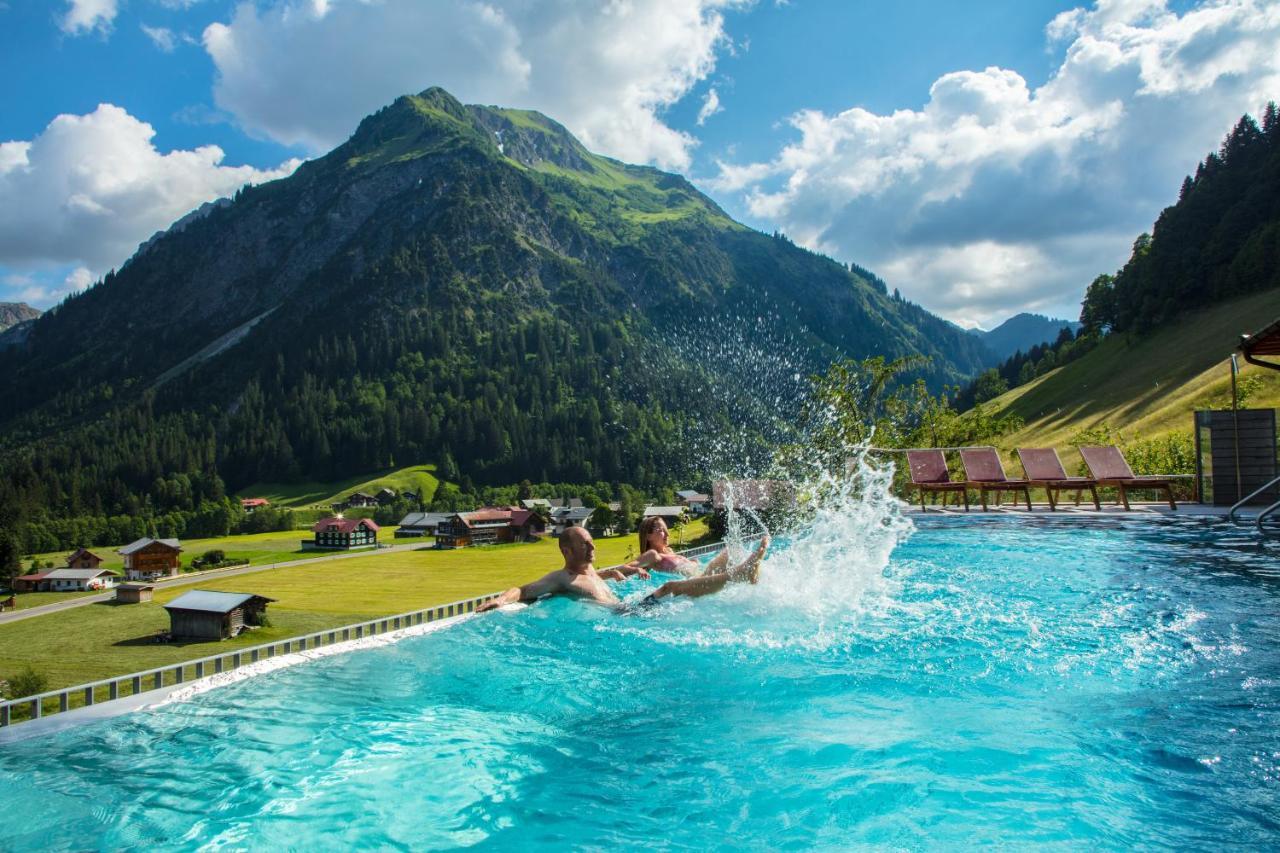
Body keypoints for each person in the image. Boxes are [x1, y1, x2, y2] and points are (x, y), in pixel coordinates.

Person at [476, 526, 769, 613]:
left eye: (592, 542)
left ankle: (740, 572)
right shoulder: (561, 577)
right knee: (669, 588)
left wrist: (613, 573)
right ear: (566, 551)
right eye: (586, 545)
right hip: (623, 615)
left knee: (674, 590)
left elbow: (609, 573)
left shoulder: (589, 573)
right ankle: (739, 575)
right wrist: (500, 600)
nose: (593, 548)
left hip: (630, 608)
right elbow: (524, 590)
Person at [625, 516, 761, 584]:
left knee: (736, 555)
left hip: (702, 575)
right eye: (661, 530)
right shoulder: (652, 555)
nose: (667, 534)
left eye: (667, 529)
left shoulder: (670, 552)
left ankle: (750, 577)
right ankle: (749, 576)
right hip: (698, 582)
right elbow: (626, 567)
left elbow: (680, 569)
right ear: (648, 536)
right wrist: (637, 569)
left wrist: (693, 563)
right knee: (731, 551)